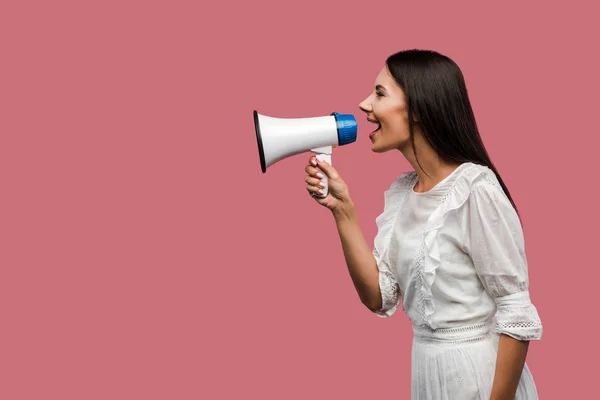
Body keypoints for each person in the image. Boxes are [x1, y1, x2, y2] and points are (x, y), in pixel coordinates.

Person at [304, 49, 543, 399]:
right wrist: (344, 211)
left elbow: (516, 314)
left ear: (417, 108)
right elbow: (378, 297)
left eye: (380, 93)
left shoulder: (474, 189)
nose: (364, 104)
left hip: (480, 379)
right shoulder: (404, 193)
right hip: (429, 376)